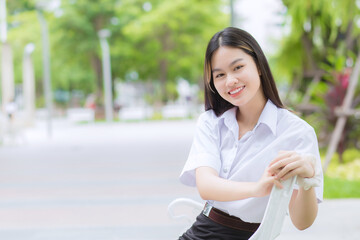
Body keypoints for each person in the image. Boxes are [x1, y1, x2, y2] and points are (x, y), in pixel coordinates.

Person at [179, 27, 323, 240]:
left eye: (237, 67)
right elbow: (206, 186)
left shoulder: (296, 132)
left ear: (259, 66)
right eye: (219, 75)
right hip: (204, 231)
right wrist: (257, 188)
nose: (230, 81)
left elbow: (302, 222)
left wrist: (308, 179)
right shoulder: (211, 122)